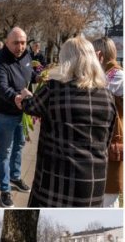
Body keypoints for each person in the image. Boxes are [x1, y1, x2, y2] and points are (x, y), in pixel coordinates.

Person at [15, 35, 116, 207]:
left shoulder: (53, 90)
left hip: (55, 183)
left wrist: (24, 96)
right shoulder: (107, 97)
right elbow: (106, 140)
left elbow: (29, 106)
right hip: (92, 184)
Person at [0, 27, 35, 207]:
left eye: (23, 42)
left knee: (20, 144)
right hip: (4, 113)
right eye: (16, 43)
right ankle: (5, 189)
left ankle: (15, 176)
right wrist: (14, 97)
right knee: (5, 151)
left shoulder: (26, 55)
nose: (20, 47)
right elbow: (0, 86)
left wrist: (39, 77)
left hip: (21, 111)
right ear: (7, 42)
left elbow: (28, 73)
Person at [92, 37, 123, 207]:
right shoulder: (106, 73)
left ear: (100, 54)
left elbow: (97, 93)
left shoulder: (116, 74)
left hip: (113, 140)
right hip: (104, 138)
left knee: (109, 193)